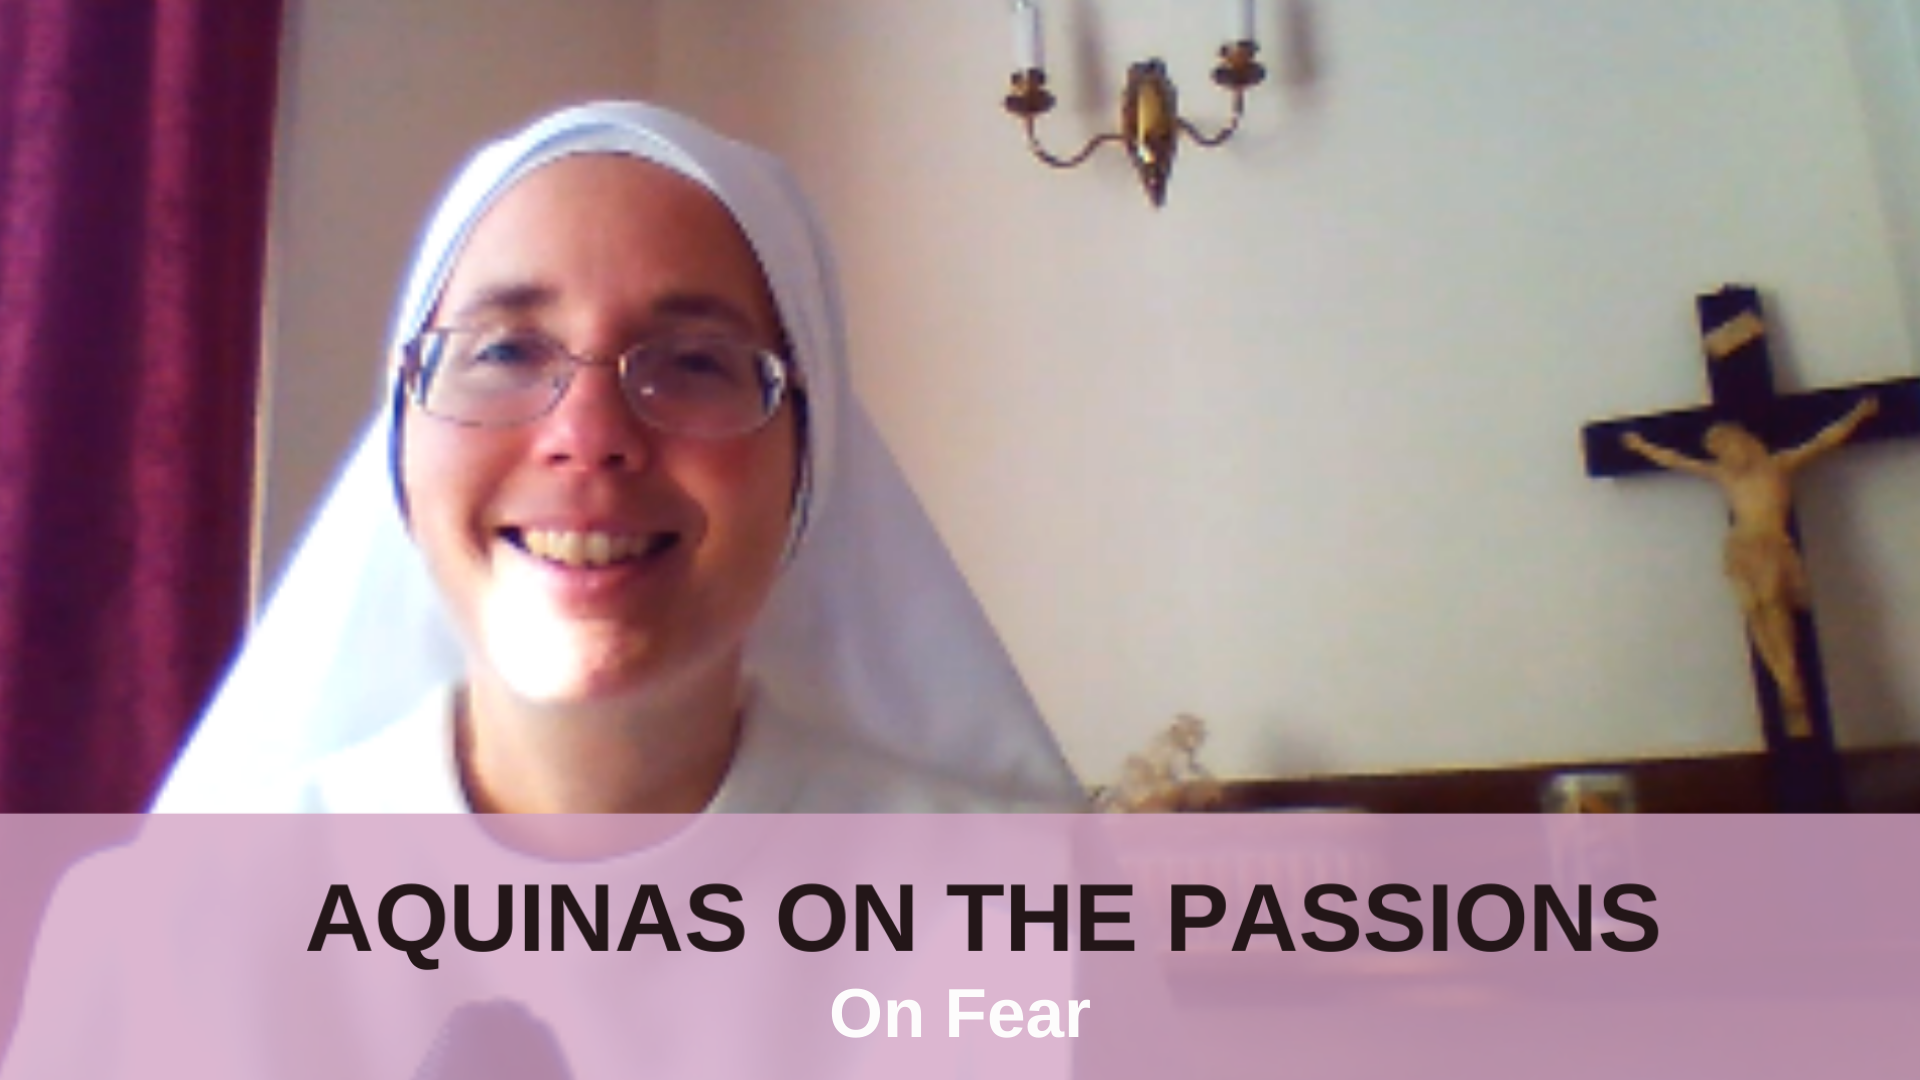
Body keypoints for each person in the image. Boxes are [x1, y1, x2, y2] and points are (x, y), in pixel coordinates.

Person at [151, 102, 1082, 812]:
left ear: (810, 453)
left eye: (695, 362)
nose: (590, 435)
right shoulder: (173, 928)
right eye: (505, 352)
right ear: (402, 433)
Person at [1619, 396, 1879, 737]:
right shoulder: (1724, 476)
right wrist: (1641, 446)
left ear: (1744, 442)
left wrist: (1858, 415)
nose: (1724, 456)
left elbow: (1823, 441)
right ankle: (1783, 680)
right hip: (1742, 549)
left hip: (1772, 546)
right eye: (1718, 452)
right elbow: (1677, 461)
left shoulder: (1779, 465)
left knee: (1774, 604)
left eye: (1727, 447)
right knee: (1754, 612)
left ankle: (1790, 678)